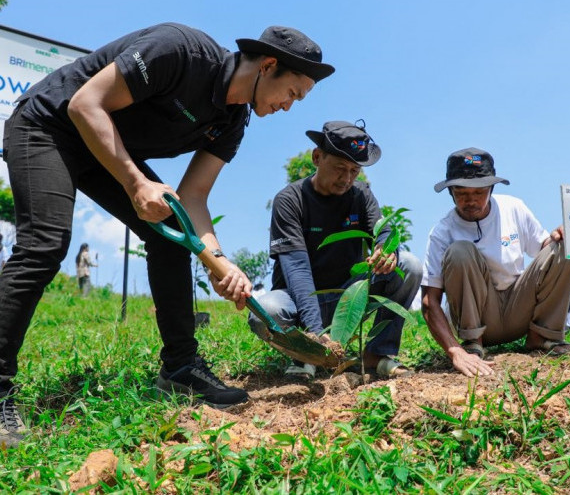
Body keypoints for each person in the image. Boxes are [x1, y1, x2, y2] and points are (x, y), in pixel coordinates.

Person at [0, 23, 334, 448]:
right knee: (44, 244)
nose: (289, 106)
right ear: (269, 66)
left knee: (170, 231)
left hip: (103, 147)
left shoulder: (231, 121)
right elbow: (85, 105)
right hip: (48, 125)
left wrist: (219, 262)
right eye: (293, 94)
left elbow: (193, 198)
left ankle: (180, 370)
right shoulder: (179, 52)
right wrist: (137, 183)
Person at [249, 120, 422, 379]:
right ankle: (305, 355)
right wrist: (316, 333)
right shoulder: (289, 201)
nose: (347, 179)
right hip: (298, 300)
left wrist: (386, 249)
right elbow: (297, 269)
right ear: (317, 157)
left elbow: (383, 229)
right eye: (340, 168)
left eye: (355, 170)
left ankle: (377, 356)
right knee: (265, 312)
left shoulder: (361, 194)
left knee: (408, 265)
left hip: (349, 296)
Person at [421, 148, 570, 378]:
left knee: (565, 246)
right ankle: (473, 343)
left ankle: (542, 337)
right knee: (460, 251)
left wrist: (561, 237)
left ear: (491, 189)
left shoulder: (513, 208)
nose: (471, 201)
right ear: (451, 192)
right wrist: (455, 351)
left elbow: (546, 250)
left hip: (519, 308)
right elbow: (429, 301)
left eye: (479, 192)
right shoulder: (442, 232)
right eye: (461, 193)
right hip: (479, 316)